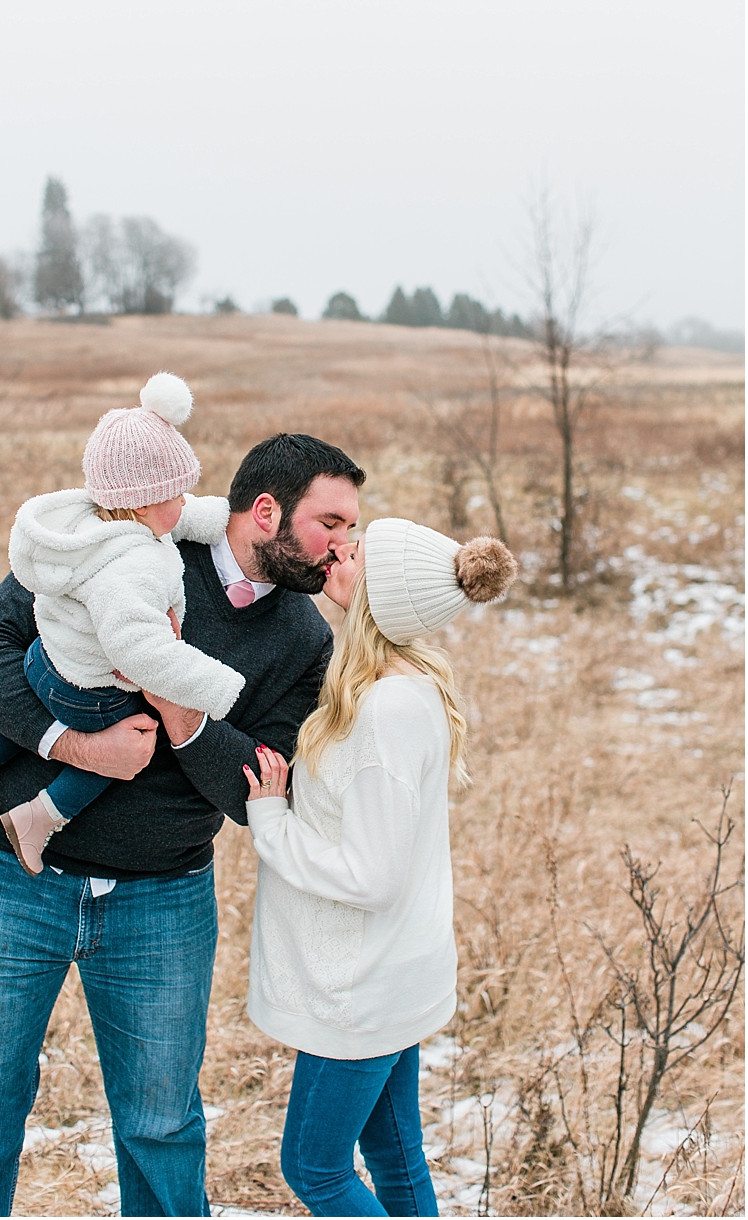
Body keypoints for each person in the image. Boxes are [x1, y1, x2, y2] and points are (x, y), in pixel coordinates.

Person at [0, 432, 364, 1218]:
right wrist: (76, 746)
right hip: (3, 880)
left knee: (162, 1128)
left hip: (161, 902)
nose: (344, 545)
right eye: (330, 522)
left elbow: (260, 790)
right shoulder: (129, 538)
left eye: (351, 528)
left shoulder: (306, 641)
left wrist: (183, 715)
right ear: (266, 512)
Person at [243, 520, 516, 1217]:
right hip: (390, 973)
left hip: (361, 988)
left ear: (382, 595)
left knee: (314, 1167)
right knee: (396, 1159)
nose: (339, 551)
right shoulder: (401, 685)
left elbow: (372, 876)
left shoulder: (385, 711)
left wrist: (272, 821)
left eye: (355, 553)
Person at [0, 373, 244, 875]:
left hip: (45, 660)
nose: (184, 502)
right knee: (131, 743)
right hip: (89, 690)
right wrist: (218, 686)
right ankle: (40, 817)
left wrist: (215, 517)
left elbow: (173, 517)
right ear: (143, 501)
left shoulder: (90, 523)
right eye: (178, 494)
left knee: (35, 701)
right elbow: (139, 651)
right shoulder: (136, 567)